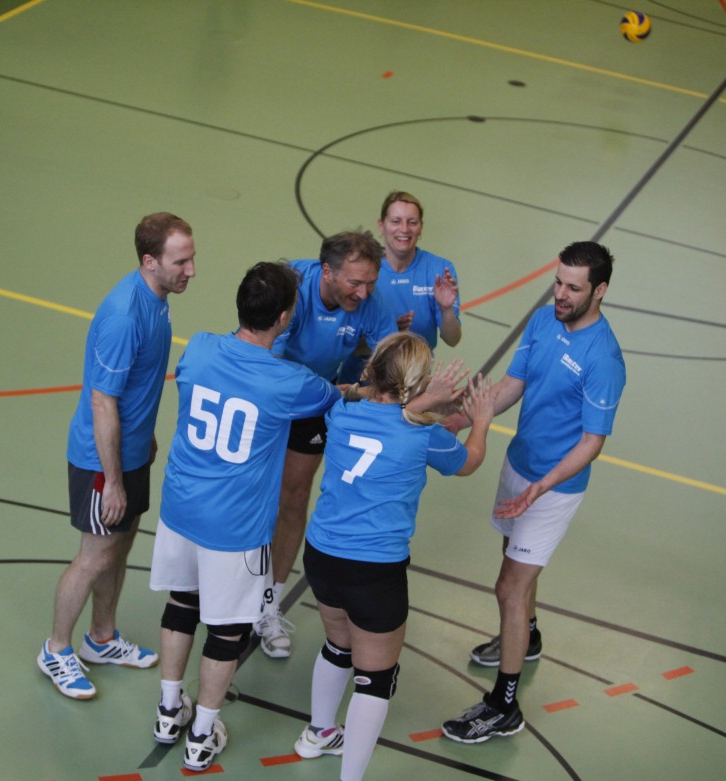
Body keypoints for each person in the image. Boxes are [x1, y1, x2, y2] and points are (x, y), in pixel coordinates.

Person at [149, 261, 343, 772]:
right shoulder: (291, 383)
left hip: (180, 508)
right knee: (227, 630)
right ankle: (201, 735)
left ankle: (168, 712)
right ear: (283, 318)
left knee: (180, 605)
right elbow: (337, 396)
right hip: (233, 527)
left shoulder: (199, 347)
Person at [294, 332, 495, 781]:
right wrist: (481, 419)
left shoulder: (341, 411)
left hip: (321, 556)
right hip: (373, 572)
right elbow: (468, 461)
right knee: (375, 678)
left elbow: (376, 405)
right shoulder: (423, 437)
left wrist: (426, 402)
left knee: (338, 646)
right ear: (416, 384)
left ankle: (319, 733)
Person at [441, 240, 626, 743]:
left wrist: (542, 487)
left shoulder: (604, 359)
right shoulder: (544, 320)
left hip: (554, 488)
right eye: (558, 282)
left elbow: (591, 442)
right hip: (518, 465)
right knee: (514, 569)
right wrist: (461, 419)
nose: (560, 294)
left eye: (573, 288)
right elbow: (512, 385)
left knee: (509, 586)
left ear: (600, 291)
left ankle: (504, 706)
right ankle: (529, 634)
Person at [37, 212, 196, 700]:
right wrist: (113, 481)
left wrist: (144, 438)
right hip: (100, 461)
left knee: (119, 546)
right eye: (180, 262)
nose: (190, 270)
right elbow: (102, 401)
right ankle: (55, 649)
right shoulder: (125, 316)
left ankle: (101, 638)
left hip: (131, 451)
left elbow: (136, 387)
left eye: (191, 258)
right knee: (94, 556)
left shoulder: (158, 300)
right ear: (150, 261)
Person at [256, 230, 397, 659]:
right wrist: (334, 390)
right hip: (271, 393)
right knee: (252, 492)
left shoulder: (370, 301)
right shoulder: (291, 290)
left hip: (318, 399)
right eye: (355, 282)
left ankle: (268, 606)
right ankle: (230, 589)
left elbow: (392, 364)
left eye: (370, 282)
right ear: (327, 272)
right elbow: (268, 365)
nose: (364, 292)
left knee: (295, 496)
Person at [375, 190, 462, 350]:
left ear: (421, 227)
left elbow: (452, 340)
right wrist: (389, 332)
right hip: (367, 365)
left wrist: (446, 309)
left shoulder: (439, 269)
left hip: (417, 366)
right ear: (381, 226)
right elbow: (348, 342)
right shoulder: (364, 268)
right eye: (396, 221)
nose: (404, 229)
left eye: (412, 222)